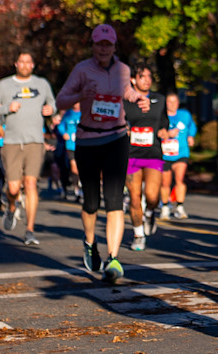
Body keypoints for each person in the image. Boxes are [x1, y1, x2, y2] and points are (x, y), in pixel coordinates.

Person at [56, 24, 148, 283]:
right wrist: (78, 94)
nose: (104, 48)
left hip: (116, 139)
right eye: (100, 44)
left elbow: (126, 91)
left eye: (108, 44)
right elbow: (60, 101)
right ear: (93, 46)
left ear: (114, 46)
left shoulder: (123, 69)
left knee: (115, 200)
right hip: (87, 140)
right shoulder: (82, 69)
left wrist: (136, 98)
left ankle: (113, 257)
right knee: (91, 203)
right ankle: (89, 242)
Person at [0, 51, 56, 246]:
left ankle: (30, 230)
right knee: (14, 187)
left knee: (31, 184)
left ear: (33, 65)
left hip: (35, 141)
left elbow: (53, 104)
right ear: (16, 64)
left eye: (28, 62)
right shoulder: (4, 85)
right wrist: (7, 108)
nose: (25, 65)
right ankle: (11, 206)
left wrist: (51, 110)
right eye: (21, 62)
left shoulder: (42, 84)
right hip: (12, 142)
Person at [125, 63, 169, 251]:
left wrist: (164, 130)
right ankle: (138, 234)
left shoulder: (159, 100)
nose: (147, 80)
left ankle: (150, 213)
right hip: (131, 155)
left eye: (150, 76)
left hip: (153, 154)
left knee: (152, 196)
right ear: (133, 79)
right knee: (134, 198)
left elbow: (164, 121)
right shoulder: (125, 101)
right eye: (143, 76)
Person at [160, 92, 195, 219]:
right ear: (166, 103)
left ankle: (180, 206)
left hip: (181, 152)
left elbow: (192, 127)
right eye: (169, 101)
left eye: (175, 101)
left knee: (180, 179)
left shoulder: (184, 115)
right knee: (165, 182)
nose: (172, 104)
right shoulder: (161, 116)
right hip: (165, 154)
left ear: (178, 103)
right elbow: (157, 132)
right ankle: (164, 207)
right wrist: (167, 134)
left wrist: (191, 136)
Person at [56, 104, 82, 201]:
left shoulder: (85, 111)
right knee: (73, 166)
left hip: (83, 144)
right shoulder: (68, 114)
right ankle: (77, 189)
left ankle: (82, 184)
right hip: (71, 145)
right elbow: (61, 126)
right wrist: (64, 133)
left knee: (83, 167)